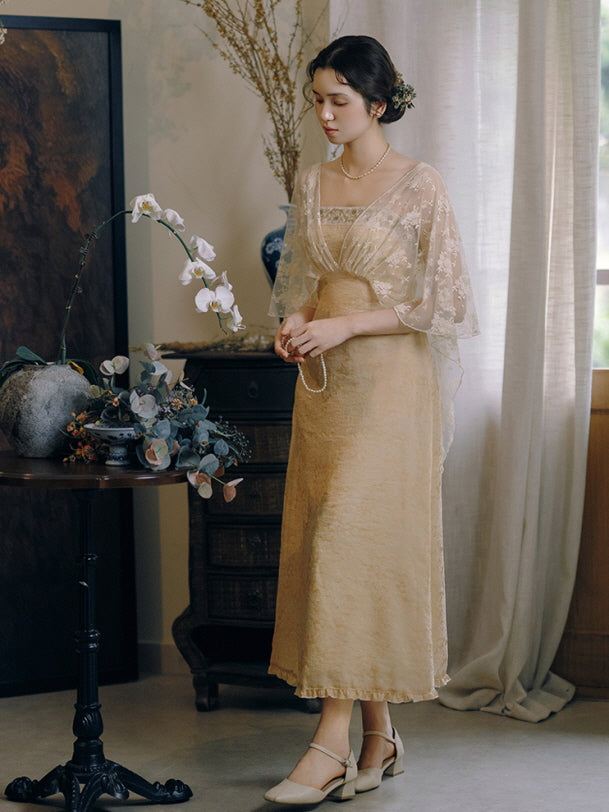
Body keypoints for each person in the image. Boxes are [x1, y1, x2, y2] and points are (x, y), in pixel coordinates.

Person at [264, 35, 479, 806]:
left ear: (377, 105)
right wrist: (298, 322)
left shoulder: (419, 185)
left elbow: (445, 303)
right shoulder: (314, 181)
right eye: (316, 99)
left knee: (347, 541)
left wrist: (348, 326)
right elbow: (304, 281)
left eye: (337, 100)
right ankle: (380, 738)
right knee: (341, 550)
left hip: (390, 388)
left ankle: (326, 746)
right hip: (325, 390)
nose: (323, 114)